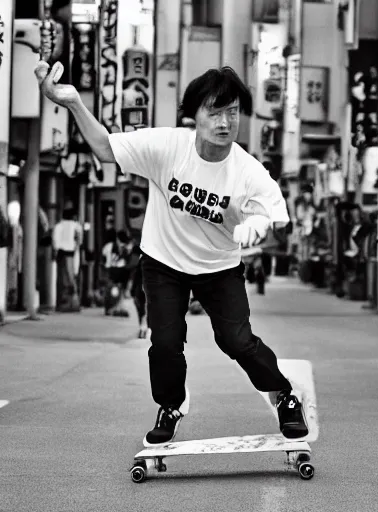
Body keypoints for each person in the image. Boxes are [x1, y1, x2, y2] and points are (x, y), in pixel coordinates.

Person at [35, 61, 308, 446]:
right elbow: (105, 148)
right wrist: (75, 102)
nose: (225, 122)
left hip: (219, 266)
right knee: (164, 342)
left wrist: (254, 228)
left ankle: (284, 395)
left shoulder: (247, 171)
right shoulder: (167, 146)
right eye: (214, 112)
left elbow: (274, 214)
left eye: (232, 112)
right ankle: (171, 406)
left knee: (236, 340)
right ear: (193, 115)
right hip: (164, 262)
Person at [52, 208, 83, 312]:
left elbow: (55, 241)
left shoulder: (59, 226)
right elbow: (79, 240)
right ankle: (74, 302)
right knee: (72, 276)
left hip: (61, 253)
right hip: (72, 253)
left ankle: (62, 302)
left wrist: (55, 252)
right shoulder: (76, 226)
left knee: (62, 278)